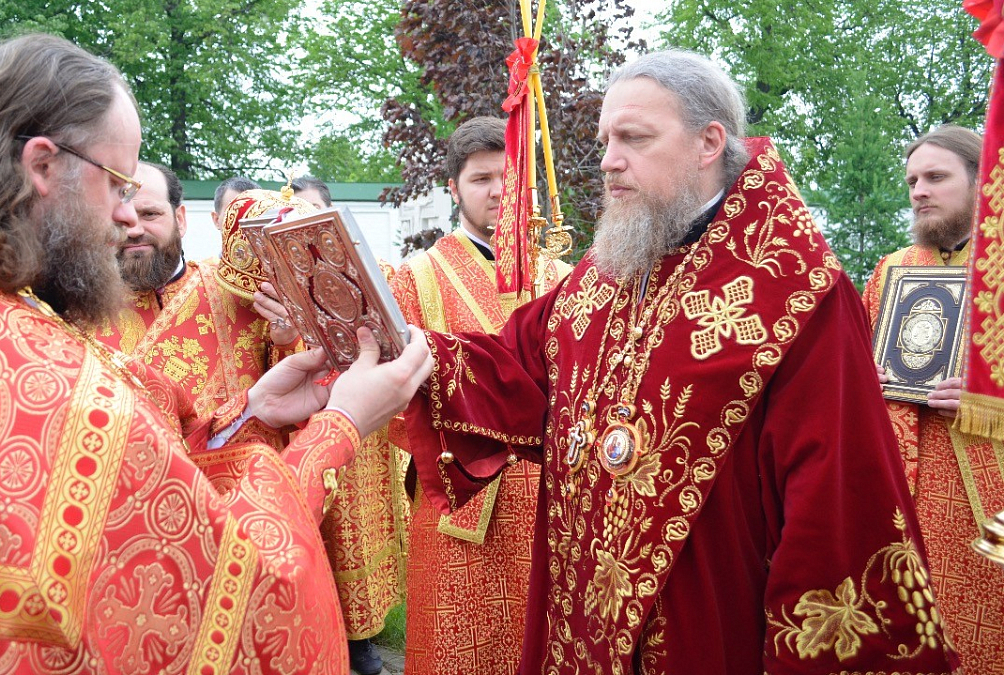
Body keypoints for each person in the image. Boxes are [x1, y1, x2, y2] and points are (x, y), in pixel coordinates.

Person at [0, 33, 432, 675]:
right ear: (43, 166)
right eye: (118, 184)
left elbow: (135, 498)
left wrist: (254, 412)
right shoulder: (9, 365)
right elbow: (209, 590)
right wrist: (340, 427)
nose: (128, 218)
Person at [401, 50, 957, 673]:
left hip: (709, 622)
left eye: (634, 139)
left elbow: (837, 507)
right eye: (606, 141)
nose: (609, 160)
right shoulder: (611, 266)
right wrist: (401, 349)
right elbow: (516, 369)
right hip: (580, 608)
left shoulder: (795, 292)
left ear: (708, 143)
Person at [390, 117, 568, 675]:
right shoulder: (416, 279)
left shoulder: (564, 277)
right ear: (454, 189)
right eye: (481, 179)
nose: (498, 192)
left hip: (554, 502)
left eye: (508, 178)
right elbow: (392, 398)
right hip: (463, 505)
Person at [862, 125, 1004, 674]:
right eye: (912, 181)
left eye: (936, 177)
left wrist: (987, 399)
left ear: (982, 181)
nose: (919, 190)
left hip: (986, 503)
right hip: (899, 495)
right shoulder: (890, 270)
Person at [256, 175, 409, 675]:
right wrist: (283, 336)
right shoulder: (273, 284)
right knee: (318, 534)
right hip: (311, 428)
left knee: (358, 535)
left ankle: (361, 640)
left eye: (310, 215)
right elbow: (268, 375)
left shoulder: (379, 270)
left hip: (367, 431)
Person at [94, 163, 301, 437]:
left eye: (149, 214)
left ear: (180, 219)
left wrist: (287, 339)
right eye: (118, 218)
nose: (133, 230)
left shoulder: (243, 293)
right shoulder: (79, 312)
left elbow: (294, 408)